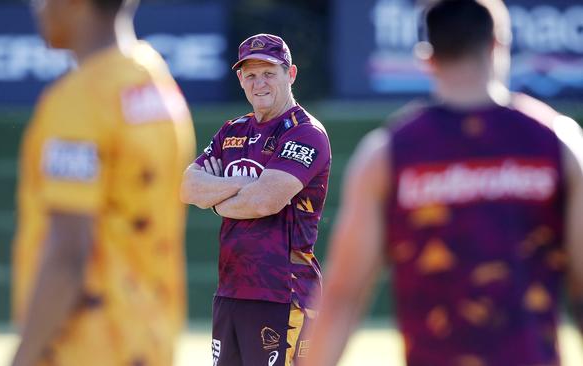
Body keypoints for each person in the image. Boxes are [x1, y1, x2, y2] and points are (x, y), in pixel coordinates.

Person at [303, 0, 583, 365]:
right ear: (498, 43)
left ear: (427, 57)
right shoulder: (558, 144)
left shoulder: (387, 154)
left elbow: (342, 297)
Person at [11, 0, 195, 364]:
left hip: (86, 347)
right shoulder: (158, 85)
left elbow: (68, 257)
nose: (37, 8)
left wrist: (24, 357)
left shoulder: (78, 101)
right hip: (152, 339)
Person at [180, 33, 332, 366]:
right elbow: (189, 187)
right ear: (240, 79)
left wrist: (217, 197)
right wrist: (242, 186)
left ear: (290, 75)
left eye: (269, 73)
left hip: (283, 294)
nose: (258, 83)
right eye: (250, 74)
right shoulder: (232, 131)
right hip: (231, 291)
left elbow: (266, 201)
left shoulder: (305, 132)